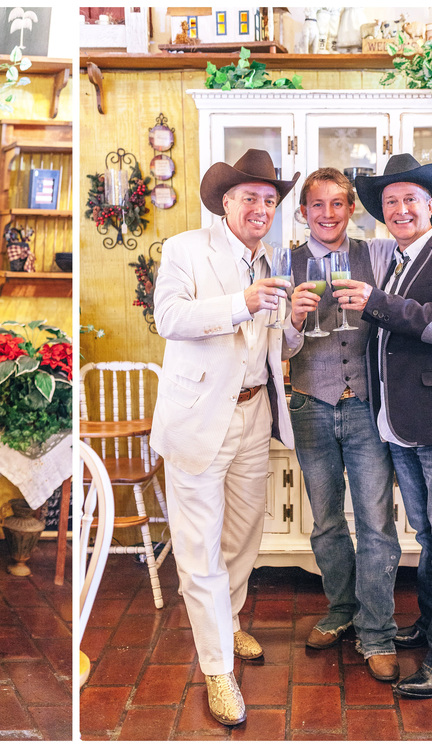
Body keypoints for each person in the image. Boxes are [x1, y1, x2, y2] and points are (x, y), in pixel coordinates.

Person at [285, 168, 432, 682]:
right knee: (325, 521)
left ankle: (377, 632)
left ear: (351, 210)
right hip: (309, 405)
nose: (327, 214)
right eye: (316, 205)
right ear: (303, 212)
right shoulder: (282, 263)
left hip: (370, 408)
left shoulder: (381, 253)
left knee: (376, 523)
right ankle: (340, 611)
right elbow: (265, 347)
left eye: (338, 204)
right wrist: (292, 325)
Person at [150, 149, 298, 726]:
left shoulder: (272, 259)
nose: (261, 208)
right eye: (250, 198)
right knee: (199, 547)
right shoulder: (187, 249)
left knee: (243, 534)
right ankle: (217, 670)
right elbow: (170, 319)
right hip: (198, 418)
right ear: (227, 202)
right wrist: (243, 302)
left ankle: (230, 622)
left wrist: (296, 322)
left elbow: (276, 346)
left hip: (256, 412)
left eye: (269, 199)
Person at [336, 154, 432, 698]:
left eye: (411, 199)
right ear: (381, 211)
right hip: (401, 426)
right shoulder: (398, 259)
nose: (400, 208)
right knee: (428, 539)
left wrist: (377, 303)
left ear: (431, 206)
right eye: (391, 200)